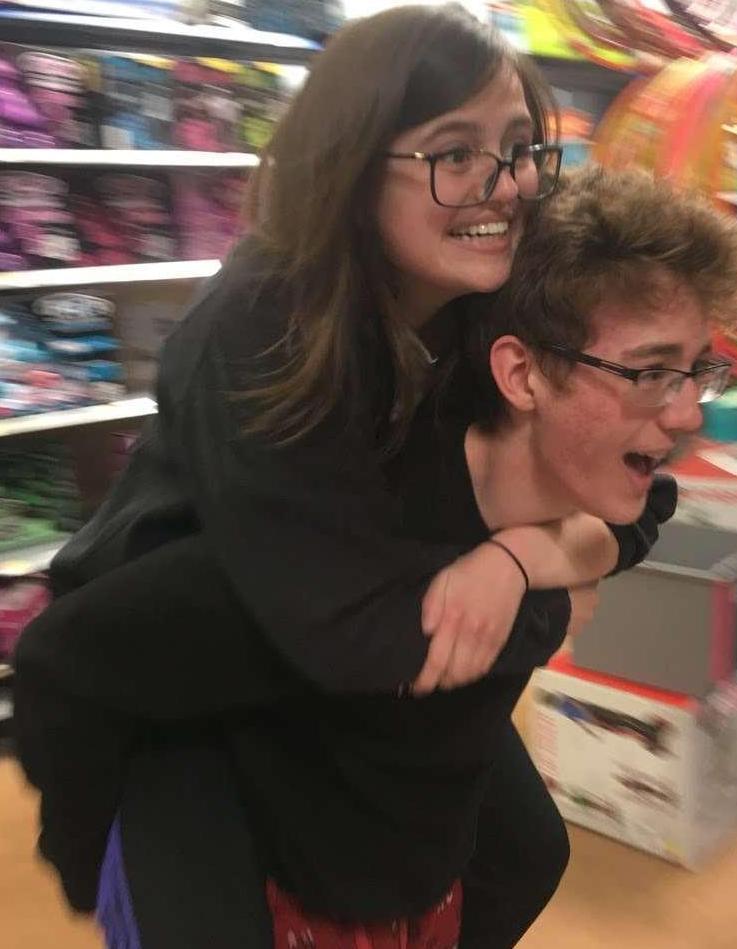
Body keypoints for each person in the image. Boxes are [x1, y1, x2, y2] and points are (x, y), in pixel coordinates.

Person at [14, 7, 671, 948]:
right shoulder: (259, 332)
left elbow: (639, 491)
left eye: (520, 147)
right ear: (355, 166)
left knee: (520, 853)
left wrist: (523, 557)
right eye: (453, 152)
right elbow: (356, 634)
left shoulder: (489, 300)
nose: (505, 185)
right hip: (176, 658)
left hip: (322, 633)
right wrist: (552, 591)